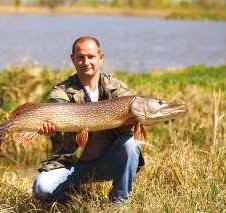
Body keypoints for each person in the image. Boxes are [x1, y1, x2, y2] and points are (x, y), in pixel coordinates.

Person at [32, 36, 144, 204]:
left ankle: (119, 203)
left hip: (107, 164)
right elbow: (55, 125)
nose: (86, 62)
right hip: (71, 165)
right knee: (42, 189)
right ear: (73, 59)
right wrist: (48, 130)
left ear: (101, 57)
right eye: (80, 57)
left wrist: (130, 122)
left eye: (91, 57)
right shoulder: (61, 91)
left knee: (130, 143)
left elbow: (124, 135)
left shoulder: (117, 88)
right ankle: (76, 195)